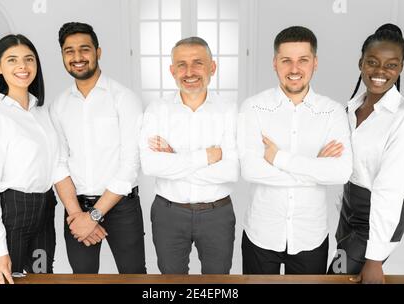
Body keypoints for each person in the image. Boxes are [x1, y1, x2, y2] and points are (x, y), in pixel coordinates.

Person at [238, 26, 353, 274]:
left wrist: (278, 158)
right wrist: (315, 167)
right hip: (261, 232)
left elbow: (341, 172)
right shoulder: (253, 108)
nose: (294, 69)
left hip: (310, 235)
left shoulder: (332, 112)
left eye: (303, 60)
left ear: (315, 62)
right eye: (286, 60)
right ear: (274, 63)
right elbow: (251, 170)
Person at [50, 22, 146, 273]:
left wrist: (92, 216)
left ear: (98, 52)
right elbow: (58, 163)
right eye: (69, 51)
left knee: (134, 277)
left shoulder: (124, 99)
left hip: (121, 207)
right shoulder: (58, 106)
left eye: (84, 49)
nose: (77, 57)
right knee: (82, 279)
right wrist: (77, 215)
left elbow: (130, 165)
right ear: (62, 56)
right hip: (76, 208)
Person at [140, 37, 238, 274]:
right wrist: (206, 156)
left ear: (212, 67)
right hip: (168, 213)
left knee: (217, 286)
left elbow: (231, 171)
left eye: (198, 63)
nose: (189, 72)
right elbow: (150, 165)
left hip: (218, 214)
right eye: (181, 65)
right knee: (171, 285)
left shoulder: (229, 110)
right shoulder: (157, 110)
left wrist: (174, 158)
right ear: (172, 71)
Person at [328, 24, 404, 283]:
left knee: (337, 276)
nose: (380, 71)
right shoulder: (352, 106)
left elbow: (389, 189)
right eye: (373, 62)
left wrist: (375, 260)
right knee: (340, 273)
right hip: (349, 209)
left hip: (375, 215)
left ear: (400, 68)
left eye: (391, 65)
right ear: (361, 63)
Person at [0, 34, 60, 284]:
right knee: (10, 280)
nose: (22, 66)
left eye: (28, 59)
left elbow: (55, 165)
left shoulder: (42, 112)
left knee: (42, 278)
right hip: (12, 213)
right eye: (12, 60)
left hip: (44, 210)